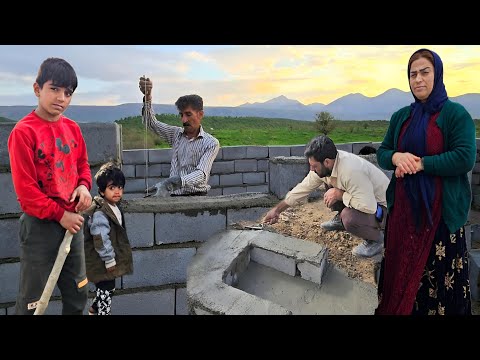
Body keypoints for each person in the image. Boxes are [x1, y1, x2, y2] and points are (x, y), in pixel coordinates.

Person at [375, 48, 476, 315]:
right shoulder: (401, 117)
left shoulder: (455, 115)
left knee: (436, 281)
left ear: (438, 74)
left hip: (440, 218)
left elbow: (464, 157)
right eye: (412, 74)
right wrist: (397, 157)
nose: (418, 79)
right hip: (403, 216)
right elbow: (382, 152)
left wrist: (422, 164)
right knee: (401, 274)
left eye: (424, 72)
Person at [7, 57, 92, 315]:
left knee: (79, 292)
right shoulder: (24, 133)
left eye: (68, 93)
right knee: (34, 299)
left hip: (72, 225)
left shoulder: (73, 129)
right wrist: (61, 215)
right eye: (54, 89)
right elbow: (26, 193)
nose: (61, 98)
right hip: (40, 228)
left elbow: (83, 166)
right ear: (37, 89)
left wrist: (84, 186)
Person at [263, 135, 390, 258]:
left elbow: (368, 207)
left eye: (314, 166)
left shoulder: (351, 171)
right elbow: (302, 189)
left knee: (349, 217)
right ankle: (341, 219)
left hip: (384, 210)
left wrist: (339, 194)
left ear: (327, 162)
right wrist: (277, 210)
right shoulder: (328, 165)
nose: (311, 170)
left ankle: (376, 240)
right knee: (330, 183)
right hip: (365, 199)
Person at [138, 76, 220, 196]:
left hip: (197, 198)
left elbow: (202, 174)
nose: (184, 120)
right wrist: (148, 97)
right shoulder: (176, 134)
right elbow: (151, 123)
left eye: (188, 114)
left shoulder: (211, 143)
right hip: (174, 197)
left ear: (200, 114)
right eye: (181, 115)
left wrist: (174, 182)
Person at [84, 162, 133, 315]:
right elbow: (100, 237)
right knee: (106, 290)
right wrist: (109, 258)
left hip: (106, 261)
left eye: (120, 187)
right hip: (102, 262)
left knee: (108, 288)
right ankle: (102, 312)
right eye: (112, 188)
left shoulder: (113, 207)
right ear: (102, 191)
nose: (117, 192)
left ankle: (94, 309)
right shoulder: (100, 213)